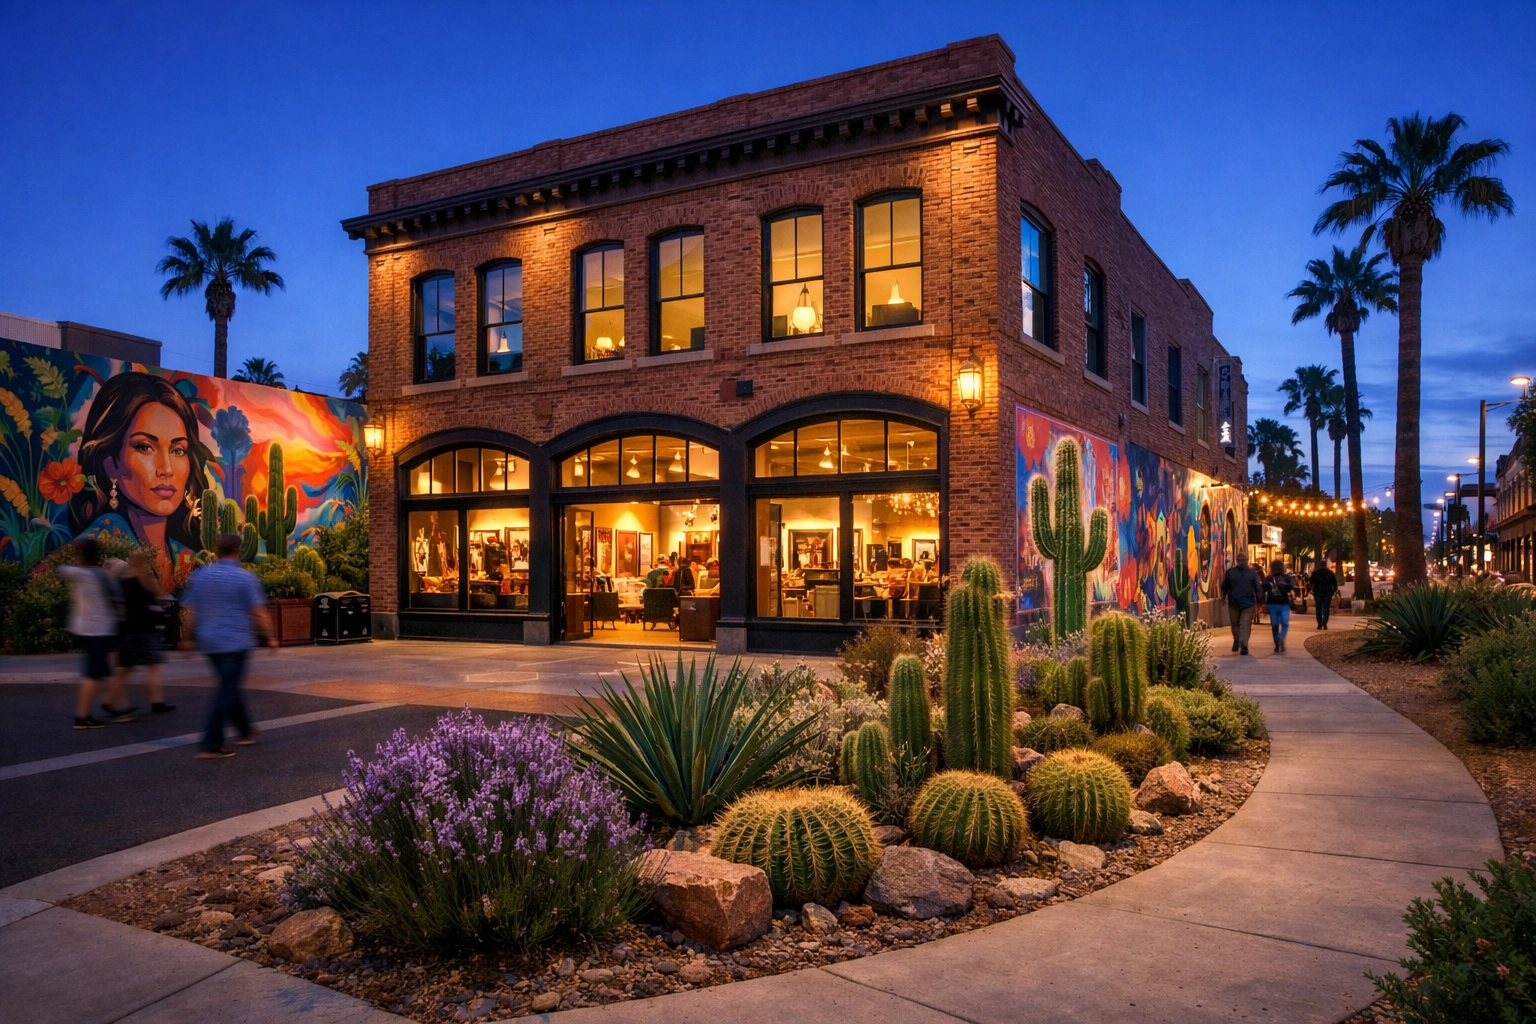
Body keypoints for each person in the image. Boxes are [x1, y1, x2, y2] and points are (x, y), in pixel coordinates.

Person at [69, 372, 213, 589]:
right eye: (144, 447)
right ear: (111, 464)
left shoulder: (189, 558)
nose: (166, 469)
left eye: (177, 450)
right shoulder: (101, 539)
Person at [181, 532, 277, 759]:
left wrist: (186, 638)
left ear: (216, 550)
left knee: (229, 685)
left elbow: (189, 612)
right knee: (227, 689)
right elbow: (258, 612)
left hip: (209, 642)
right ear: (238, 552)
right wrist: (270, 637)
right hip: (235, 641)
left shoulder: (201, 576)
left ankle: (246, 730)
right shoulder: (245, 578)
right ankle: (211, 743)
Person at [59, 538, 129, 728]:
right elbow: (118, 599)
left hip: (80, 628)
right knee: (93, 672)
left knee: (102, 668)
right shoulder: (101, 575)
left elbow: (62, 569)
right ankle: (82, 716)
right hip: (101, 628)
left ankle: (114, 704)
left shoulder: (77, 572)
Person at [113, 550, 176, 714]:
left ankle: (110, 700)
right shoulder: (147, 581)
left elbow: (118, 605)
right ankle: (157, 702)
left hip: (127, 629)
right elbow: (162, 597)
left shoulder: (122, 583)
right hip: (147, 627)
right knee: (153, 667)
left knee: (125, 668)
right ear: (144, 563)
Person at [1220, 550, 1263, 656]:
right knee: (1245, 625)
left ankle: (1237, 640)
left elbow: (1224, 587)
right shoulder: (1252, 573)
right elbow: (1258, 588)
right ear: (1247, 560)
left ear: (1237, 561)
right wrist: (1261, 601)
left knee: (1235, 624)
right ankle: (1243, 643)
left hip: (1234, 602)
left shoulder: (1230, 572)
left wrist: (1223, 598)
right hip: (1248, 603)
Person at [1263, 559, 1297, 653]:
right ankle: (1281, 637)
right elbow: (1290, 587)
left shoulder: (1269, 578)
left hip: (1272, 603)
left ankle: (1277, 645)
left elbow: (1263, 588)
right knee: (1285, 624)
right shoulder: (1286, 577)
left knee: (1274, 625)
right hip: (1284, 603)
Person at [1310, 558, 1339, 630]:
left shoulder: (1315, 573)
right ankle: (1325, 623)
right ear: (1325, 565)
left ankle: (1319, 623)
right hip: (1327, 591)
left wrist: (1311, 589)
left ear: (1320, 565)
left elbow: (1311, 582)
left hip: (1317, 592)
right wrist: (1334, 590)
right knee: (1326, 607)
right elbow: (1334, 583)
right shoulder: (1330, 573)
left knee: (1318, 607)